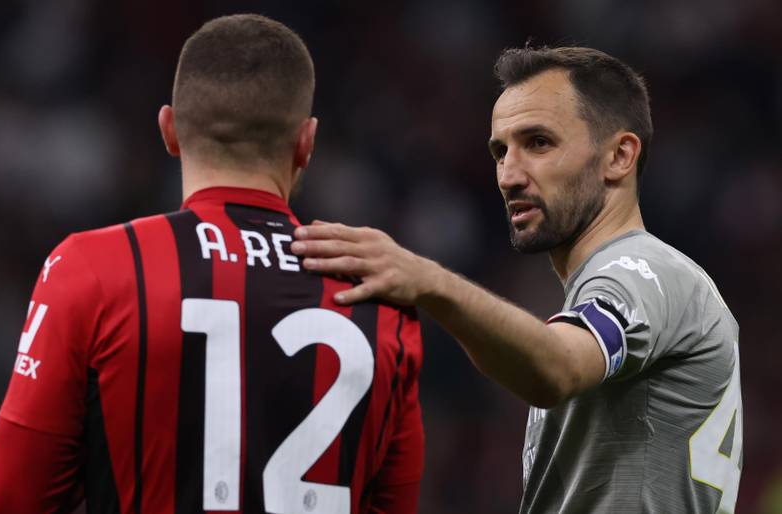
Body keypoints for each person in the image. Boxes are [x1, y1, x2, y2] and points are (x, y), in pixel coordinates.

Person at [0, 14, 424, 514]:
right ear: (306, 142)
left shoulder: (93, 267)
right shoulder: (379, 301)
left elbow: (13, 494)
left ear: (169, 130)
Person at [292, 46, 742, 513]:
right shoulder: (638, 281)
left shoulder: (644, 271)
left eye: (539, 143)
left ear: (620, 156)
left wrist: (427, 279)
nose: (508, 175)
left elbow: (558, 366)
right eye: (500, 151)